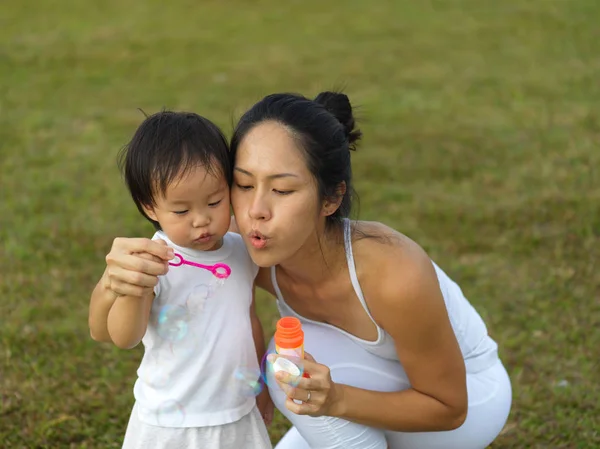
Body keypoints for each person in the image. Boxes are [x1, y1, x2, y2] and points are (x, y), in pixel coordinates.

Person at [91, 92, 512, 449]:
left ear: (330, 199)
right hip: (361, 379)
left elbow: (449, 406)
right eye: (242, 184)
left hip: (465, 400)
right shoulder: (233, 237)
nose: (256, 210)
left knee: (285, 363)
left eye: (282, 189)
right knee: (290, 367)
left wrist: (337, 402)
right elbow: (162, 257)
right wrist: (114, 282)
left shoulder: (392, 271)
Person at [88, 111, 272, 449]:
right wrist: (136, 290)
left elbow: (247, 318)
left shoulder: (239, 250)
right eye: (181, 211)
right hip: (170, 423)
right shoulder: (154, 261)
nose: (202, 220)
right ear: (150, 207)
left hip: (236, 413)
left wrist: (259, 385)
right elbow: (124, 336)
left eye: (215, 202)